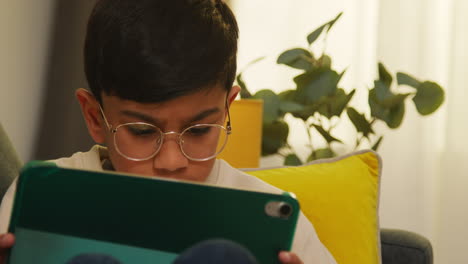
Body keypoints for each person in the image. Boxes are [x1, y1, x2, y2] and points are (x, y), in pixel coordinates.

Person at [0, 0, 336, 263]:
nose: (172, 161)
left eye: (200, 129)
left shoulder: (268, 217)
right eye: (143, 132)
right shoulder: (45, 198)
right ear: (94, 117)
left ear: (227, 109)